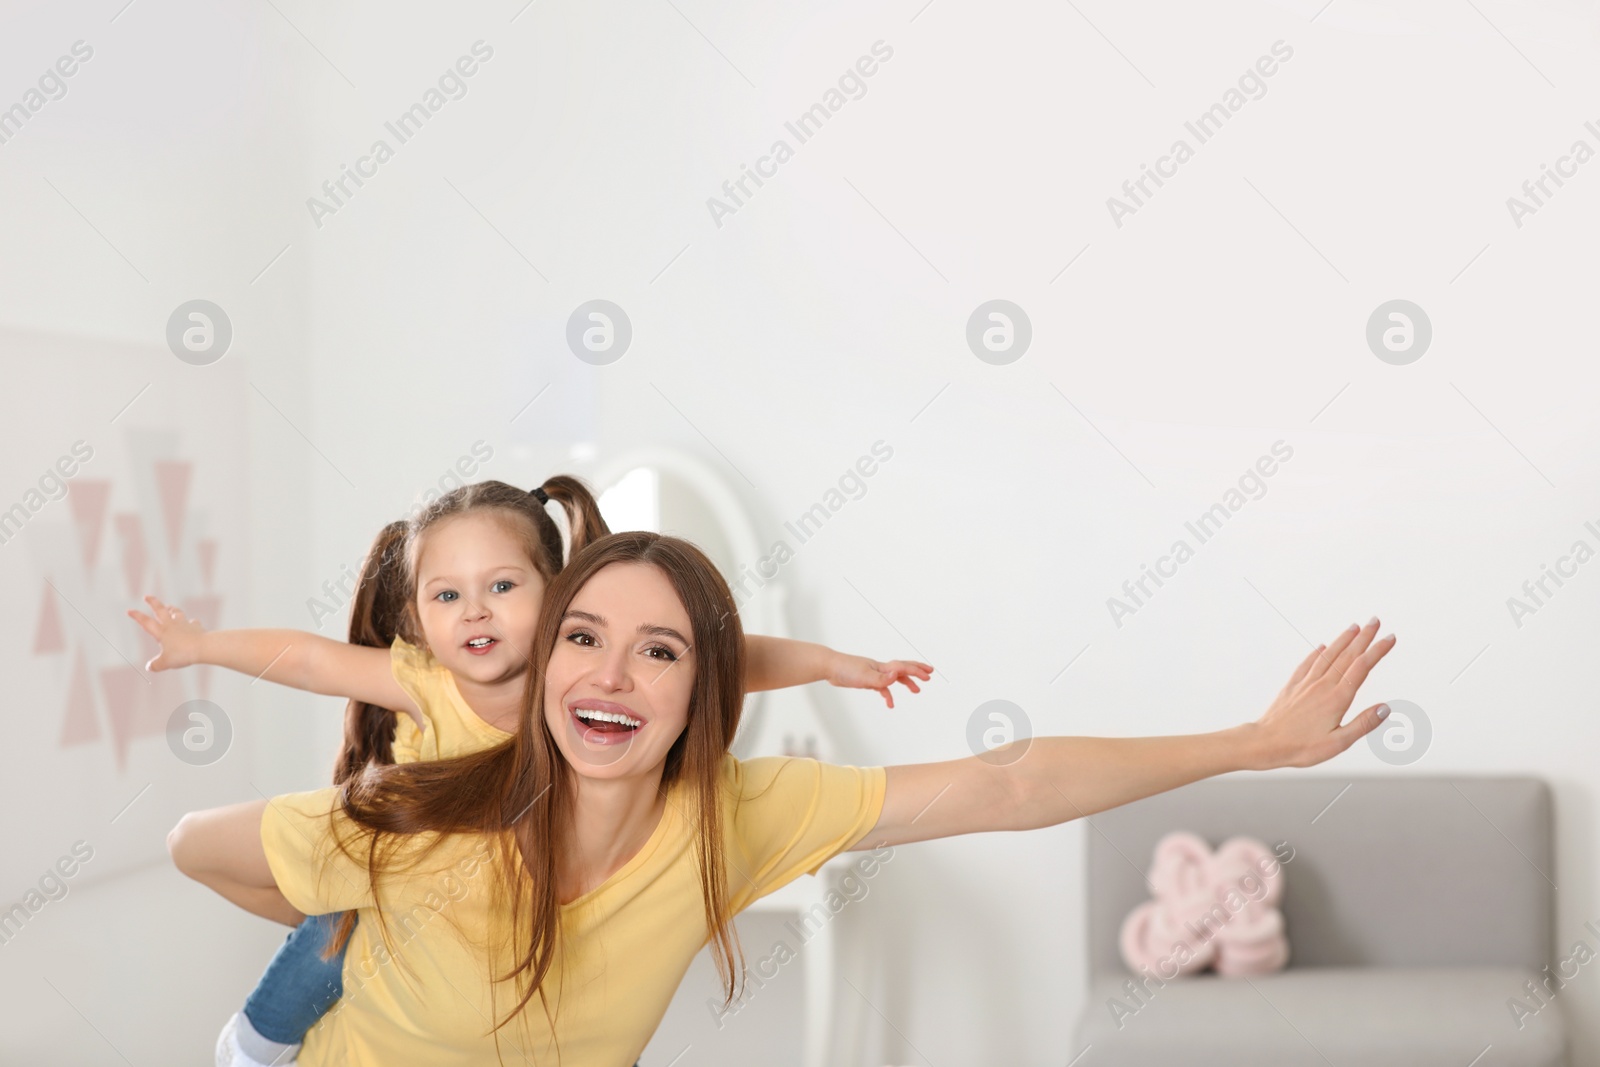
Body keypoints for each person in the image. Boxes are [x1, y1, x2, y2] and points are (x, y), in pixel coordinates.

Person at [169, 530, 1396, 1065]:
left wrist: (1250, 740)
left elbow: (1008, 780)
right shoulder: (422, 814)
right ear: (538, 667)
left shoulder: (740, 812)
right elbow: (194, 846)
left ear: (705, 685)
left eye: (657, 649)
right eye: (582, 635)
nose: (608, 671)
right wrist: (351, 932)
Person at [140, 480, 930, 1067]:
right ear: (418, 619)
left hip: (489, 887)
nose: (475, 611)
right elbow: (312, 660)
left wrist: (834, 664)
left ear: (560, 596)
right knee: (315, 959)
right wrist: (204, 647)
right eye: (447, 595)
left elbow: (729, 658)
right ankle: (255, 1040)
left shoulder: (576, 667)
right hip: (398, 859)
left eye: (503, 587)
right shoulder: (427, 680)